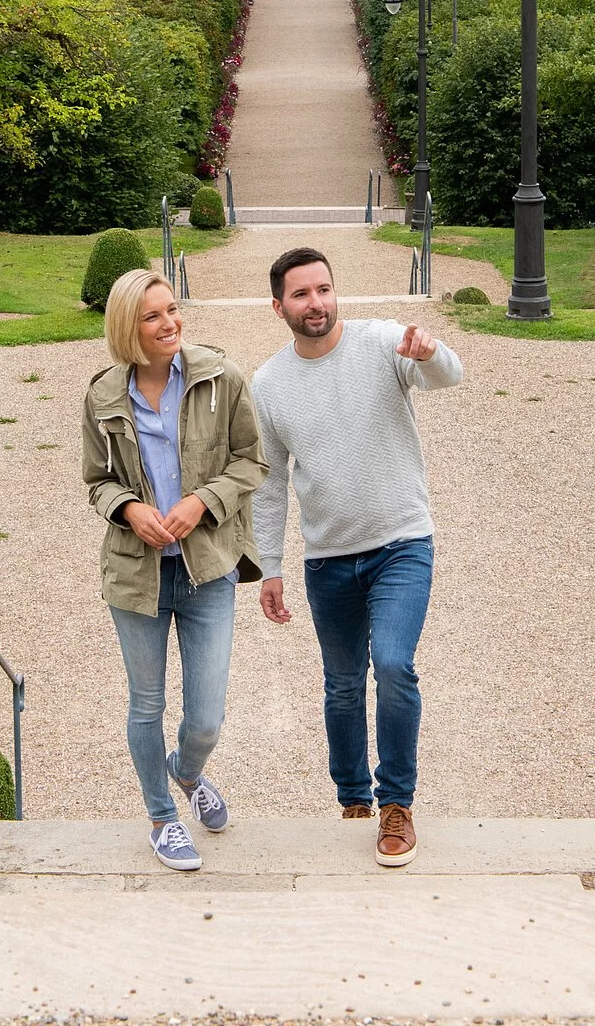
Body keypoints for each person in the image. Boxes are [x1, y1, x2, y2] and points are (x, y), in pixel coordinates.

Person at [252, 246, 464, 867]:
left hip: (402, 541)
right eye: (300, 294)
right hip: (328, 560)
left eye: (323, 289)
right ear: (279, 306)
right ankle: (352, 799)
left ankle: (396, 803)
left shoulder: (381, 343)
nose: (315, 303)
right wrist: (271, 565)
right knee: (342, 686)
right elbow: (268, 483)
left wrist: (432, 352)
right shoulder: (268, 384)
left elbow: (449, 376)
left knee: (394, 666)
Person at [81, 267, 268, 872]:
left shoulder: (221, 378)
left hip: (207, 568)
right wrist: (131, 509)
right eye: (153, 316)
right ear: (127, 329)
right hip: (136, 576)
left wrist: (201, 503)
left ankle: (186, 773)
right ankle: (162, 817)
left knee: (207, 717)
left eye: (172, 310)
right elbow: (96, 482)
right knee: (145, 706)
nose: (170, 323)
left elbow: (251, 463)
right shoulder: (103, 395)